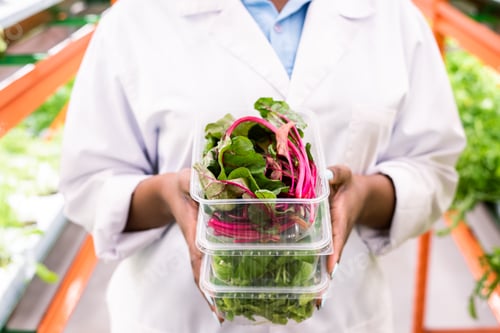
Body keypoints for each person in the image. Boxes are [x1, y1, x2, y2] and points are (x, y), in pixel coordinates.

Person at [59, 0, 466, 331]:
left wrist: (364, 195)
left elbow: (432, 166)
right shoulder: (135, 19)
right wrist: (167, 195)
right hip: (176, 314)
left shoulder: (394, 17)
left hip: (342, 313)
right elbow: (90, 183)